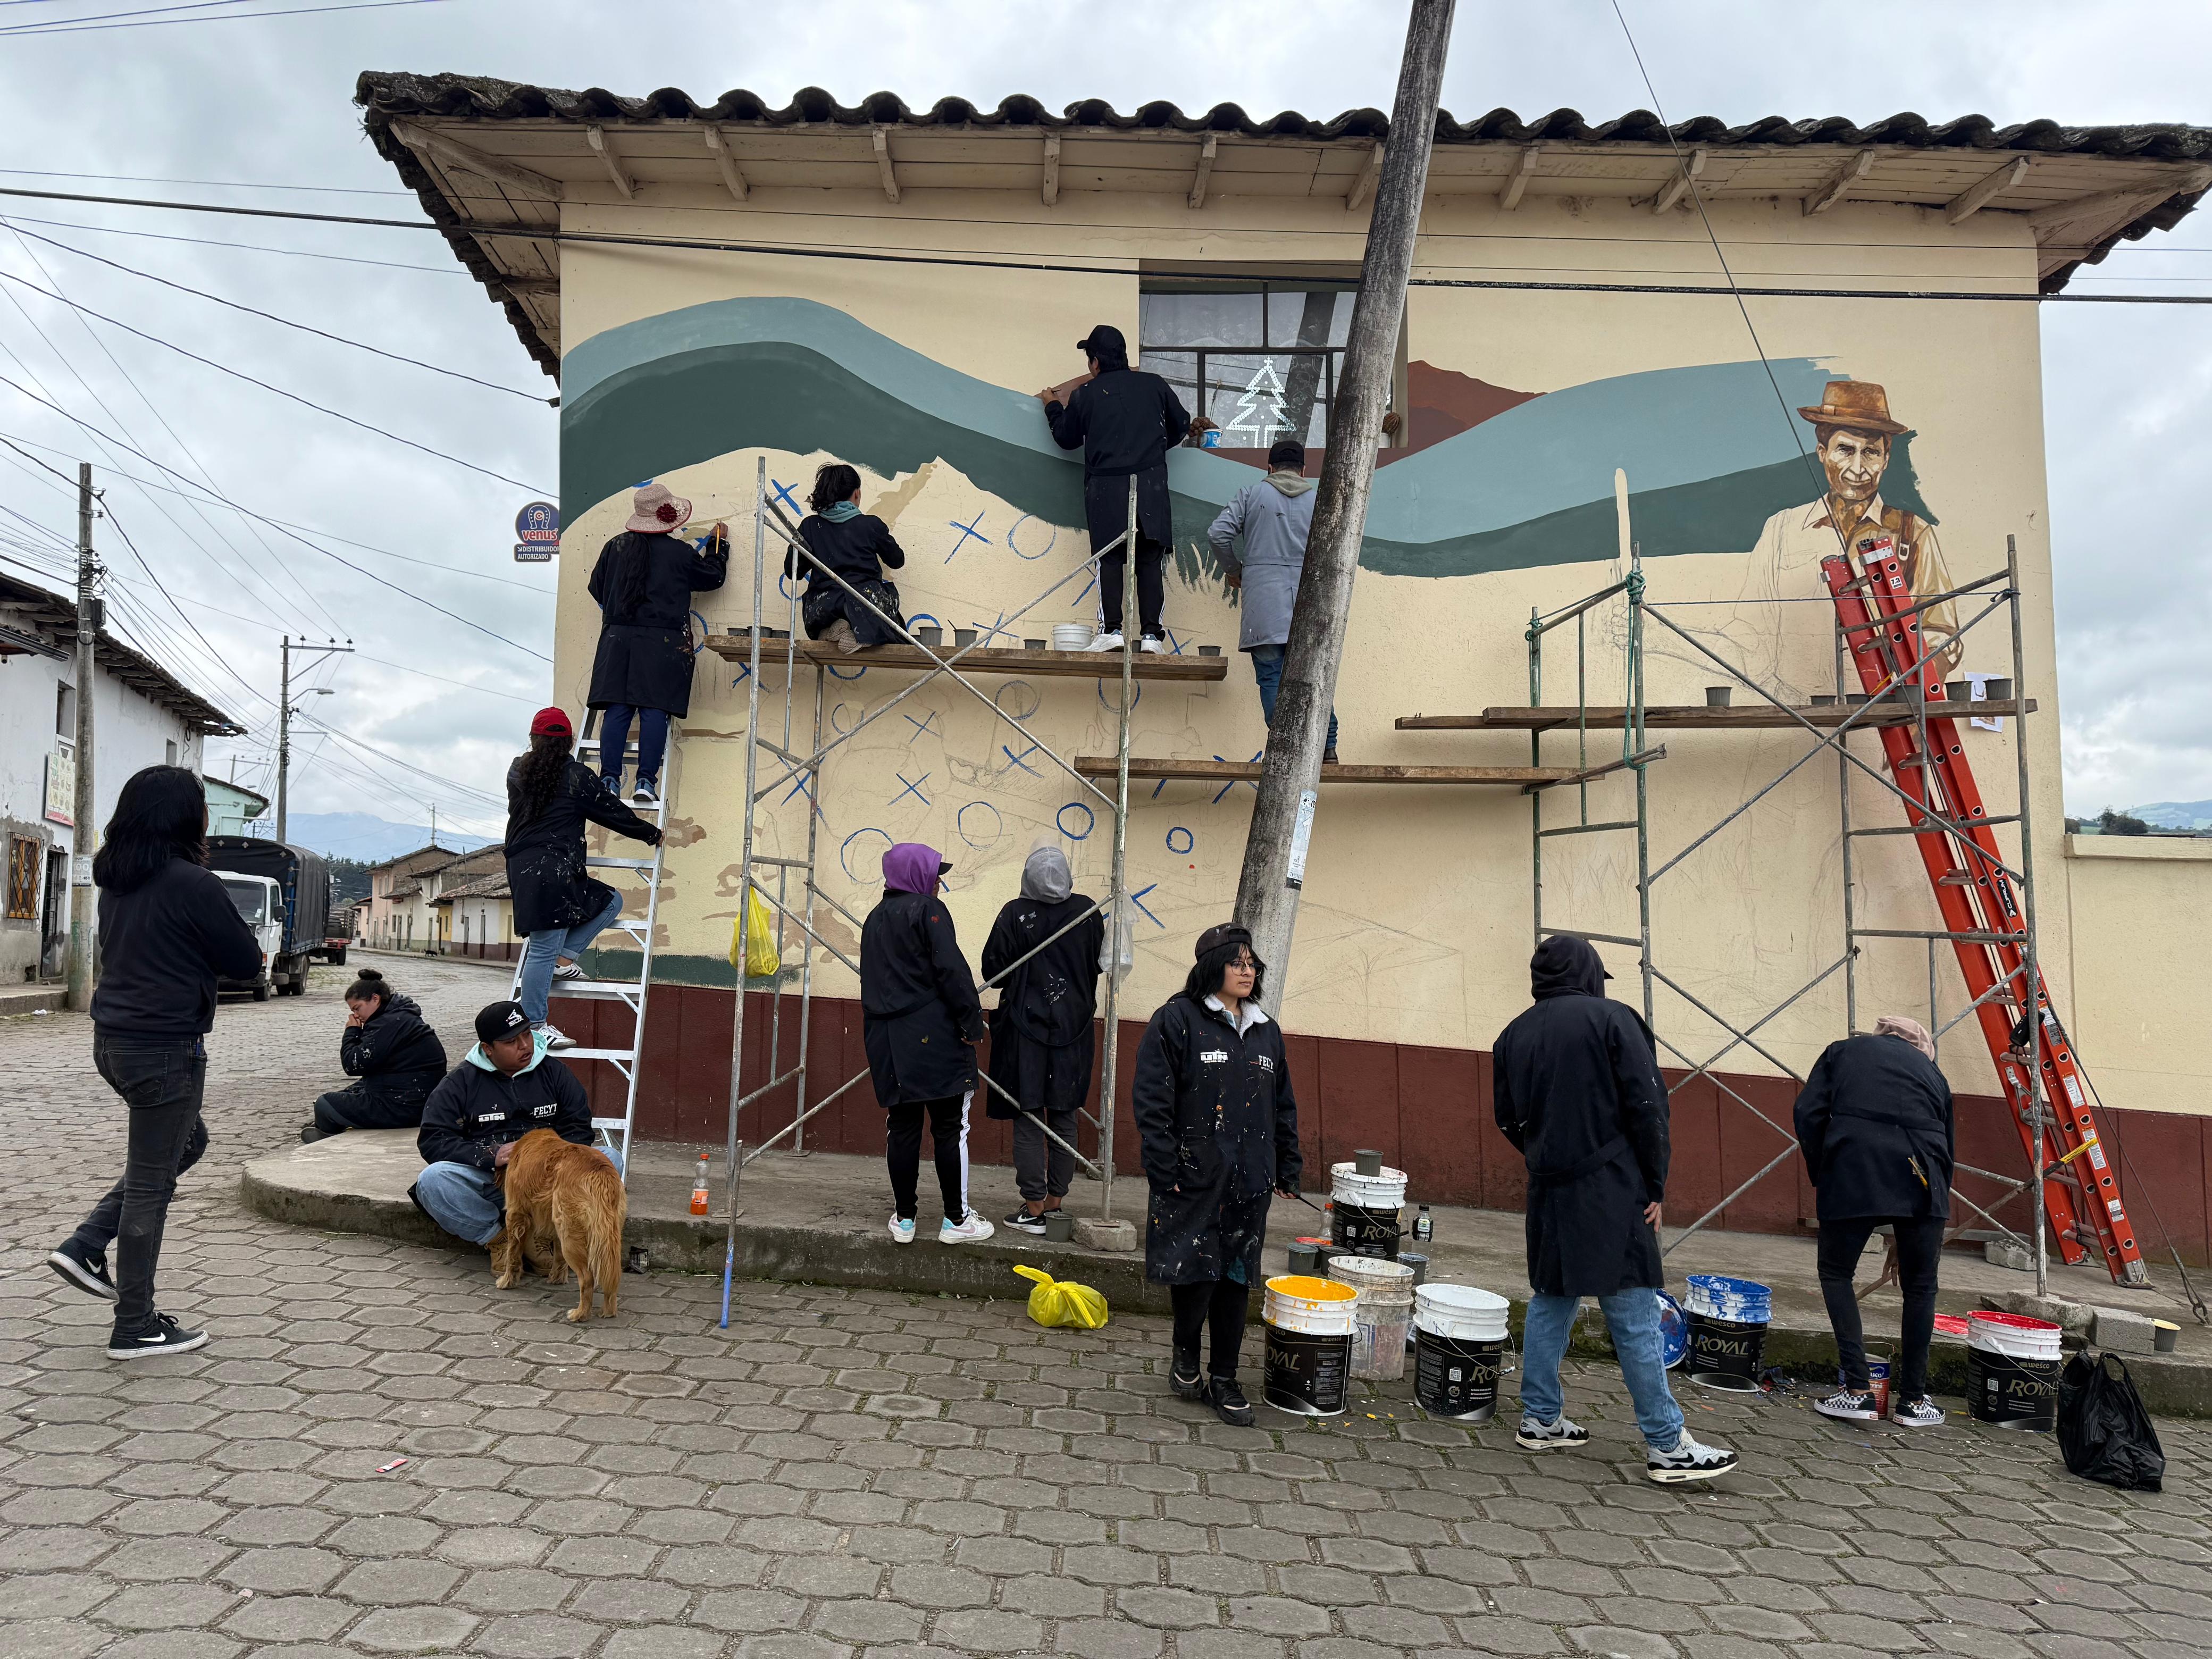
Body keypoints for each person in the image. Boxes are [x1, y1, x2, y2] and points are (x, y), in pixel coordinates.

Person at [1493, 936, 1738, 1484]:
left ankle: (1540, 1419)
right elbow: (1648, 1105)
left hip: (1548, 1189)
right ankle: (1667, 1444)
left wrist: (1546, 1158)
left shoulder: (1512, 1034)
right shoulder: (1613, 1019)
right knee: (1634, 1312)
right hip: (1610, 1187)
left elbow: (1507, 1118)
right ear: (1589, 974)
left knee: (1551, 1299)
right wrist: (1654, 1182)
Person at [44, 766, 261, 1359]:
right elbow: (246, 962)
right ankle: (135, 1325)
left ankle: (86, 1244)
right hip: (165, 1049)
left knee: (187, 1143)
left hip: (113, 1043)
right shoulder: (194, 884)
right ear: (186, 817)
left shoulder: (116, 880)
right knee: (151, 1184)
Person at [1132, 923, 1301, 1427]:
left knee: (1236, 1277)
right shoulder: (1177, 1020)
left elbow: (1283, 1105)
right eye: (1237, 963)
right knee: (1195, 1272)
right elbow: (1152, 1100)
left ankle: (1225, 1378)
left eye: (1252, 964)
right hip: (1193, 1176)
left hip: (1250, 1180)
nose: (1248, 972)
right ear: (1212, 968)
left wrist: (1286, 1165)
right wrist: (1164, 1166)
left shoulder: (1266, 1030)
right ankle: (1185, 1353)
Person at [1738, 381, 1959, 701]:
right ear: (1822, 453)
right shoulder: (1781, 528)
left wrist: (1912, 696)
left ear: (1886, 459)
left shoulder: (1914, 533)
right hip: (1794, 709)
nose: (1858, 469)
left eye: (1871, 452)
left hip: (1886, 714)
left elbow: (1941, 632)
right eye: (1845, 450)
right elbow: (1750, 626)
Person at [1794, 1013, 1955, 1430]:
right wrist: (1924, 1215)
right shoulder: (1933, 1073)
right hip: (1925, 1175)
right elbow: (1947, 1145)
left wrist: (1824, 1170)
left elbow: (1807, 1112)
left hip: (1854, 1166)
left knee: (1836, 1273)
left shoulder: (1842, 1052)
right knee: (1921, 1287)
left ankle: (1857, 1392)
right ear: (1921, 1048)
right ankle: (1913, 1402)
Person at [505, 707, 663, 1050]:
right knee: (542, 951)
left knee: (610, 901)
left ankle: (563, 960)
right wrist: (650, 833)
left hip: (526, 868)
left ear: (533, 739)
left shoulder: (517, 771)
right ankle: (535, 1027)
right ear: (570, 742)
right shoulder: (577, 777)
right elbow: (610, 810)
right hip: (554, 870)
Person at [860, 842, 993, 1246]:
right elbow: (952, 971)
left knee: (902, 1127)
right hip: (932, 1037)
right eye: (935, 874)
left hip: (887, 1040)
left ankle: (904, 1219)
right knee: (950, 1128)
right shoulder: (928, 911)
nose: (938, 883)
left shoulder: (874, 918)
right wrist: (972, 1023)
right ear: (916, 875)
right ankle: (957, 1220)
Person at [1040, 323, 1192, 653]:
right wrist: (1151, 451)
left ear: (1095, 362)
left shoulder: (1086, 394)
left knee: (1109, 559)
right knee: (1148, 558)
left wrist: (1052, 405)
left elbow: (1066, 438)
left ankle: (1111, 631)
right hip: (1150, 486)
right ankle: (1151, 637)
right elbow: (1181, 424)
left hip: (1106, 490)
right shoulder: (1154, 385)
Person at [981, 844, 1104, 1235]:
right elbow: (1100, 964)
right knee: (1064, 1114)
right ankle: (1054, 1205)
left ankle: (1033, 1208)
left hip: (1025, 1030)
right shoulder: (1088, 911)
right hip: (1075, 1027)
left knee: (1029, 1115)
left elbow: (994, 972)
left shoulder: (1015, 913)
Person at [586, 480, 729, 803]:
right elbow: (713, 577)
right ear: (667, 518)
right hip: (662, 641)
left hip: (617, 639)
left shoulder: (614, 547)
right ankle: (645, 782)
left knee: (618, 708)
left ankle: (609, 779)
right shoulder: (679, 553)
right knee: (654, 711)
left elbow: (597, 589)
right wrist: (719, 547)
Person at [412, 1001, 596, 1247]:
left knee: (610, 1160)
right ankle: (500, 1241)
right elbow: (434, 1140)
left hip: (549, 1181)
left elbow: (579, 1126)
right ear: (488, 1049)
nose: (525, 1046)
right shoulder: (459, 1083)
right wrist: (491, 1155)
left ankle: (544, 1235)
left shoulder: (556, 1073)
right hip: (492, 1182)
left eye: (527, 1034)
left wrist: (549, 1157)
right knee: (433, 1180)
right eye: (511, 1042)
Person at [1205, 437, 1340, 764]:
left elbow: (1217, 534)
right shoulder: (1321, 500)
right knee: (1315, 679)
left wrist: (1236, 571)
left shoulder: (1251, 495)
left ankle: (1285, 747)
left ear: (1269, 468)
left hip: (1264, 606)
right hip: (1310, 605)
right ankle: (1328, 747)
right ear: (1303, 470)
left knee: (1271, 678)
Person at [300, 968, 448, 1143]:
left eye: (357, 1008)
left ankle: (328, 1133)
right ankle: (329, 1125)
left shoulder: (389, 1023)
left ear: (375, 999)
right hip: (417, 1100)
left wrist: (352, 1031)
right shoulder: (397, 1017)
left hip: (405, 1107)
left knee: (324, 1104)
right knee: (350, 1092)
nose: (355, 1015)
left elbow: (353, 1064)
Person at [791, 462, 908, 653]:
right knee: (888, 611)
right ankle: (862, 634)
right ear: (857, 493)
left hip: (821, 608)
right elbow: (897, 561)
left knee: (840, 603)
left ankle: (836, 628)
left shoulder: (810, 526)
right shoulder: (870, 525)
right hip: (865, 607)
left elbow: (792, 572)